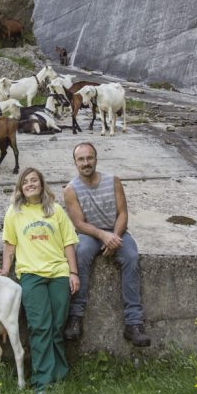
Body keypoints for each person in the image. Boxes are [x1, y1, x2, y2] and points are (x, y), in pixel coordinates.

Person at [0, 167, 80, 394]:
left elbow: (68, 243)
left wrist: (73, 273)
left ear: (42, 185)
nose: (30, 184)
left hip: (59, 274)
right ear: (20, 187)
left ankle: (59, 373)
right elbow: (9, 244)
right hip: (31, 275)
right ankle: (42, 381)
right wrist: (5, 269)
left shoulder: (56, 210)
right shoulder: (14, 212)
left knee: (56, 326)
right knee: (39, 327)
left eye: (34, 180)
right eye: (25, 181)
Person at [62, 141, 151, 347]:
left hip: (116, 232)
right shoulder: (70, 190)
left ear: (96, 159)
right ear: (75, 163)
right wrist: (103, 236)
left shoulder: (113, 181)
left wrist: (114, 238)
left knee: (131, 256)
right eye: (81, 159)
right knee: (81, 253)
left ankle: (134, 323)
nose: (86, 162)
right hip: (90, 233)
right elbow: (79, 224)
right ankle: (75, 317)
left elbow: (123, 214)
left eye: (89, 158)